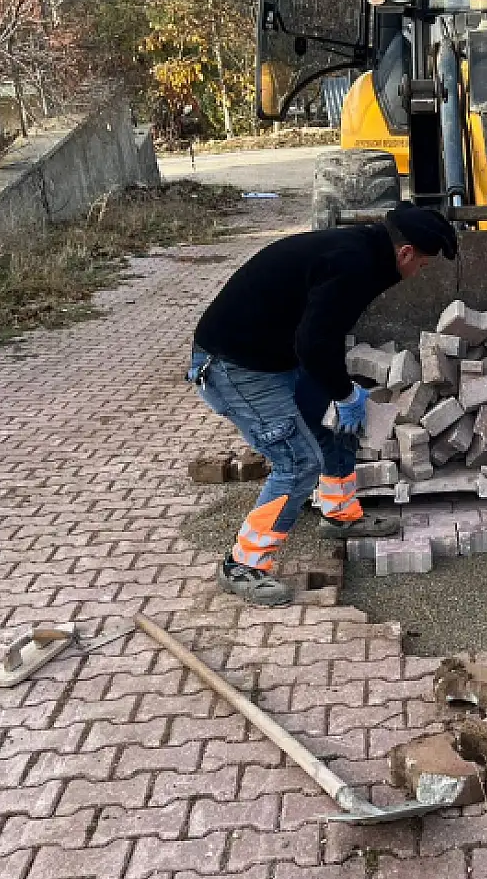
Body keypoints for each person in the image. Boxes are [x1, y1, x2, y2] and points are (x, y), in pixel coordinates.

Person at [190, 205, 459, 605]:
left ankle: (339, 514)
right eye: (421, 264)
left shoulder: (366, 252)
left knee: (336, 421)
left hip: (276, 356)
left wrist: (341, 394)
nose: (418, 272)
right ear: (405, 254)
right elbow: (314, 344)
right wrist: (346, 393)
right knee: (298, 462)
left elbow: (320, 336)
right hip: (235, 367)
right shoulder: (355, 265)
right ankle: (242, 564)